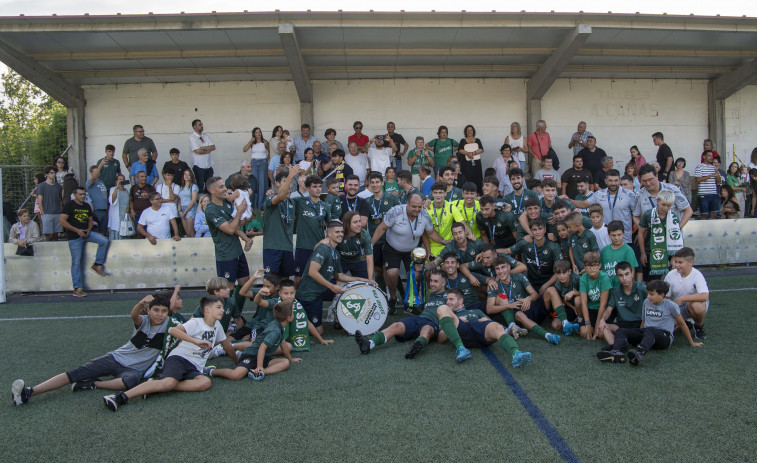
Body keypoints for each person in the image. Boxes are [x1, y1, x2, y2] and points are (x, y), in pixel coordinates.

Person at [12, 293, 172, 406]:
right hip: (115, 358)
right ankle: (29, 392)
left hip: (133, 370)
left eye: (163, 311)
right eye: (156, 310)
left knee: (132, 381)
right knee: (75, 373)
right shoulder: (143, 321)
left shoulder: (171, 325)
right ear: (149, 310)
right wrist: (141, 303)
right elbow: (134, 315)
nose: (159, 314)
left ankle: (91, 384)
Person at [102, 296, 238, 411]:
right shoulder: (196, 322)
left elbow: (227, 346)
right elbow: (174, 331)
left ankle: (157, 386)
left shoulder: (217, 326)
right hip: (179, 359)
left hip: (195, 366)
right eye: (219, 307)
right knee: (168, 382)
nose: (222, 310)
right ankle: (120, 397)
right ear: (207, 309)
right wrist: (195, 341)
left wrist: (237, 362)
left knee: (204, 383)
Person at [371, 193, 447, 313]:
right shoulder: (395, 211)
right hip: (392, 248)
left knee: (416, 275)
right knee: (392, 273)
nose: (417, 209)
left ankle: (411, 302)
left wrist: (444, 242)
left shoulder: (424, 215)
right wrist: (370, 246)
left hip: (412, 251)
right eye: (414, 206)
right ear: (407, 203)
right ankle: (393, 298)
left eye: (419, 206)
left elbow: (430, 233)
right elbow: (381, 228)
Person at [597, 280, 702, 365]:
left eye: (651, 294)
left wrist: (691, 342)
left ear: (661, 295)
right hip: (648, 334)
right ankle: (617, 352)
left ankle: (639, 352)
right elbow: (643, 321)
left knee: (651, 330)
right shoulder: (646, 302)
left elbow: (682, 324)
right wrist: (639, 334)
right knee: (621, 331)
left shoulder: (670, 305)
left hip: (664, 338)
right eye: (648, 293)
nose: (648, 296)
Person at [297, 221, 372, 333]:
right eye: (337, 232)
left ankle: (340, 317)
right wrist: (331, 286)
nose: (340, 234)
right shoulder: (323, 248)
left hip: (320, 291)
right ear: (329, 234)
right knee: (318, 332)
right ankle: (295, 321)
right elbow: (312, 272)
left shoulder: (335, 253)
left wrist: (359, 279)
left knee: (347, 287)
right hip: (309, 294)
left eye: (342, 232)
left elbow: (339, 275)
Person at [355, 270, 448, 359]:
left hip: (432, 323)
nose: (431, 284)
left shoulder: (449, 296)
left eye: (435, 281)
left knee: (426, 329)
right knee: (396, 325)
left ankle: (416, 347)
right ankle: (369, 344)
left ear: (443, 283)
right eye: (431, 280)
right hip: (420, 319)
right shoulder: (432, 295)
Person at [434, 287, 533, 367]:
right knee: (442, 308)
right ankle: (461, 349)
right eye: (446, 299)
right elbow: (440, 339)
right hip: (461, 330)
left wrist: (487, 320)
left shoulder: (476, 311)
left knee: (497, 327)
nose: (447, 302)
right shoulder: (449, 317)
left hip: (481, 330)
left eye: (451, 299)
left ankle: (516, 353)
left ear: (460, 301)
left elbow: (492, 324)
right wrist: (455, 323)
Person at [209, 301, 298, 382]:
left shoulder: (279, 325)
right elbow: (262, 347)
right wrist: (259, 366)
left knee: (285, 362)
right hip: (252, 355)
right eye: (293, 313)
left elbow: (282, 343)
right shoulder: (275, 331)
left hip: (263, 358)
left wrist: (290, 359)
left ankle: (258, 372)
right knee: (236, 375)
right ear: (288, 317)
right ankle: (211, 371)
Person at [485, 257, 562, 344]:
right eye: (497, 269)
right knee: (518, 314)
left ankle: (565, 322)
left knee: (551, 290)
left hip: (532, 307)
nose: (500, 271)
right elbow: (489, 309)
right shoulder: (495, 285)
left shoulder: (519, 277)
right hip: (521, 316)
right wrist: (508, 305)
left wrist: (528, 298)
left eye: (503, 267)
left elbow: (535, 294)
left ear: (509, 267)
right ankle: (547, 335)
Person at [205, 177, 253, 310]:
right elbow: (230, 229)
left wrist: (243, 219)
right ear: (212, 190)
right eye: (221, 187)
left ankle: (235, 312)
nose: (225, 189)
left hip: (237, 251)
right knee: (228, 288)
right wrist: (239, 214)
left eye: (224, 186)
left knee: (245, 283)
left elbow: (237, 224)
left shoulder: (227, 203)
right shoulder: (211, 210)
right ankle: (227, 316)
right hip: (225, 254)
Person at [61, 187, 110, 297]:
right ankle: (77, 288)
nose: (83, 196)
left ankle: (97, 264)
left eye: (84, 194)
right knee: (76, 262)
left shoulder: (87, 206)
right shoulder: (69, 205)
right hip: (74, 236)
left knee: (104, 241)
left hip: (86, 233)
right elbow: (62, 222)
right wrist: (77, 230)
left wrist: (88, 229)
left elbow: (90, 220)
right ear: (75, 194)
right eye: (80, 194)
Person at [595, 262, 646, 347]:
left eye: (627, 274)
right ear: (617, 277)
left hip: (639, 324)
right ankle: (616, 346)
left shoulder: (642, 288)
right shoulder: (615, 291)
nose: (624, 278)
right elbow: (608, 309)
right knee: (602, 328)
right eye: (621, 275)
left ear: (632, 273)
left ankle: (618, 346)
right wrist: (602, 320)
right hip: (622, 325)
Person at [665, 247, 710, 340]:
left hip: (693, 305)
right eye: (676, 262)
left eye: (680, 262)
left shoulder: (697, 275)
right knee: (665, 329)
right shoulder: (670, 275)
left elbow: (705, 296)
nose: (676, 265)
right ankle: (687, 322)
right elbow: (666, 297)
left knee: (697, 307)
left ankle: (699, 327)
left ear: (690, 262)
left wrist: (682, 299)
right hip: (678, 307)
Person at [638, 190, 684, 279]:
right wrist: (643, 253)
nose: (665, 208)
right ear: (658, 201)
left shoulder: (673, 217)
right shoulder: (648, 214)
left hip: (669, 250)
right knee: (651, 281)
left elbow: (676, 237)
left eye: (669, 205)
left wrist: (674, 256)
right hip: (650, 250)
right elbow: (641, 233)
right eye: (663, 205)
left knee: (671, 279)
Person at [292, 175, 327, 286]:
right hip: (303, 246)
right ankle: (296, 302)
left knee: (318, 277)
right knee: (298, 279)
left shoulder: (325, 206)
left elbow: (330, 226)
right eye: (315, 186)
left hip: (319, 247)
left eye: (320, 186)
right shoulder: (299, 202)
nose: (318, 189)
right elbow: (284, 199)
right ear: (307, 188)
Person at [634, 164, 693, 229]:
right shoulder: (639, 195)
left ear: (656, 176)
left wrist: (678, 228)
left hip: (672, 234)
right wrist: (642, 230)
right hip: (652, 235)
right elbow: (635, 216)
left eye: (650, 180)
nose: (648, 183)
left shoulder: (672, 190)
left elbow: (688, 210)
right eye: (644, 181)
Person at [364, 172, 400, 279]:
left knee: (389, 270)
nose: (375, 185)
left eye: (377, 182)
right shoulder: (367, 201)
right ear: (369, 184)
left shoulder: (392, 198)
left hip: (390, 241)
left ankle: (395, 294)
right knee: (378, 270)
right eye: (372, 182)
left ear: (382, 183)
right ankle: (382, 292)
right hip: (375, 241)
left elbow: (399, 217)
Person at [578, 251, 612, 340]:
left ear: (599, 266)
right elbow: (584, 302)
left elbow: (603, 305)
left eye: (594, 265)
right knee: (583, 332)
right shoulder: (583, 278)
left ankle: (601, 327)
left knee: (600, 334)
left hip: (602, 309)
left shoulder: (604, 278)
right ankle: (586, 324)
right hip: (591, 308)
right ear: (585, 267)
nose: (592, 268)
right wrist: (587, 323)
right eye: (588, 266)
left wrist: (597, 326)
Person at [337, 211, 374, 279]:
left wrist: (370, 279)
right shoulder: (339, 233)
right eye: (355, 222)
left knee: (367, 283)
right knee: (333, 282)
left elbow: (369, 258)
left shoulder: (365, 235)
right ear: (347, 224)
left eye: (359, 221)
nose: (359, 224)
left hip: (357, 260)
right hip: (341, 262)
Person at [600, 221, 638, 287]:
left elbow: (632, 272)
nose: (616, 238)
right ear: (609, 235)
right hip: (608, 287)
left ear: (623, 234)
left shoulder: (628, 250)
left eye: (619, 235)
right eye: (613, 235)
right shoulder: (605, 250)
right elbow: (603, 269)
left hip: (622, 287)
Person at [426, 182, 456, 259]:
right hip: (432, 246)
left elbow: (461, 224)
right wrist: (428, 252)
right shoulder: (426, 208)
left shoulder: (451, 207)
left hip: (447, 245)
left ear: (445, 193)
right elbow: (424, 233)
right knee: (428, 270)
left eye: (440, 193)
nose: (438, 195)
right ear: (432, 194)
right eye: (435, 193)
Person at [242, 126, 269, 208]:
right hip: (254, 162)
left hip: (262, 161)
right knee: (255, 182)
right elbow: (244, 149)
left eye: (260, 132)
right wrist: (251, 140)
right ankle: (254, 204)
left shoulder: (265, 142)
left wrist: (267, 160)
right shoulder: (252, 143)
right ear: (254, 134)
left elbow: (269, 151)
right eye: (257, 132)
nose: (259, 134)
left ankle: (261, 205)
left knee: (262, 183)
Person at [37, 165, 64, 241]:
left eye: (54, 173)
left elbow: (60, 200)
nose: (53, 174)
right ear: (47, 174)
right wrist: (42, 212)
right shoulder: (41, 186)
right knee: (49, 235)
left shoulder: (58, 186)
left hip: (57, 213)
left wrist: (60, 210)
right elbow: (40, 200)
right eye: (51, 173)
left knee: (56, 235)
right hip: (47, 213)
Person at [694, 150, 721, 220]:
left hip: (713, 194)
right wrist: (711, 175)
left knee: (714, 213)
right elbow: (698, 180)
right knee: (704, 214)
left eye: (712, 156)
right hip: (703, 194)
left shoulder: (713, 168)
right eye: (709, 156)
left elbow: (718, 182)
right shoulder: (699, 167)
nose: (711, 157)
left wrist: (717, 172)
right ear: (704, 157)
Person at [456, 124, 484, 193]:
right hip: (466, 164)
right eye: (467, 130)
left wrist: (473, 153)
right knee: (467, 177)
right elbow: (460, 150)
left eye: (470, 130)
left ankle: (478, 193)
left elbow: (481, 149)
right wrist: (467, 153)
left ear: (473, 131)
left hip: (476, 163)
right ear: (465, 132)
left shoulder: (477, 140)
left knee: (478, 177)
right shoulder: (463, 140)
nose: (469, 132)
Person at [85, 162, 109, 235]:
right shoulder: (90, 182)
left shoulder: (101, 181)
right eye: (96, 171)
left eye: (98, 171)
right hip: (96, 210)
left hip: (104, 210)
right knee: (95, 231)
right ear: (91, 173)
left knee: (103, 231)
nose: (98, 172)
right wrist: (101, 165)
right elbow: (93, 177)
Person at [178, 169, 199, 238]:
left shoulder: (193, 186)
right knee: (187, 232)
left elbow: (193, 200)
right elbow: (179, 200)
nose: (186, 176)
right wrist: (179, 211)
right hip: (182, 209)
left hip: (190, 209)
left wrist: (185, 211)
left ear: (191, 176)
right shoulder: (182, 187)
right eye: (185, 174)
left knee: (190, 231)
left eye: (188, 175)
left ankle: (195, 247)